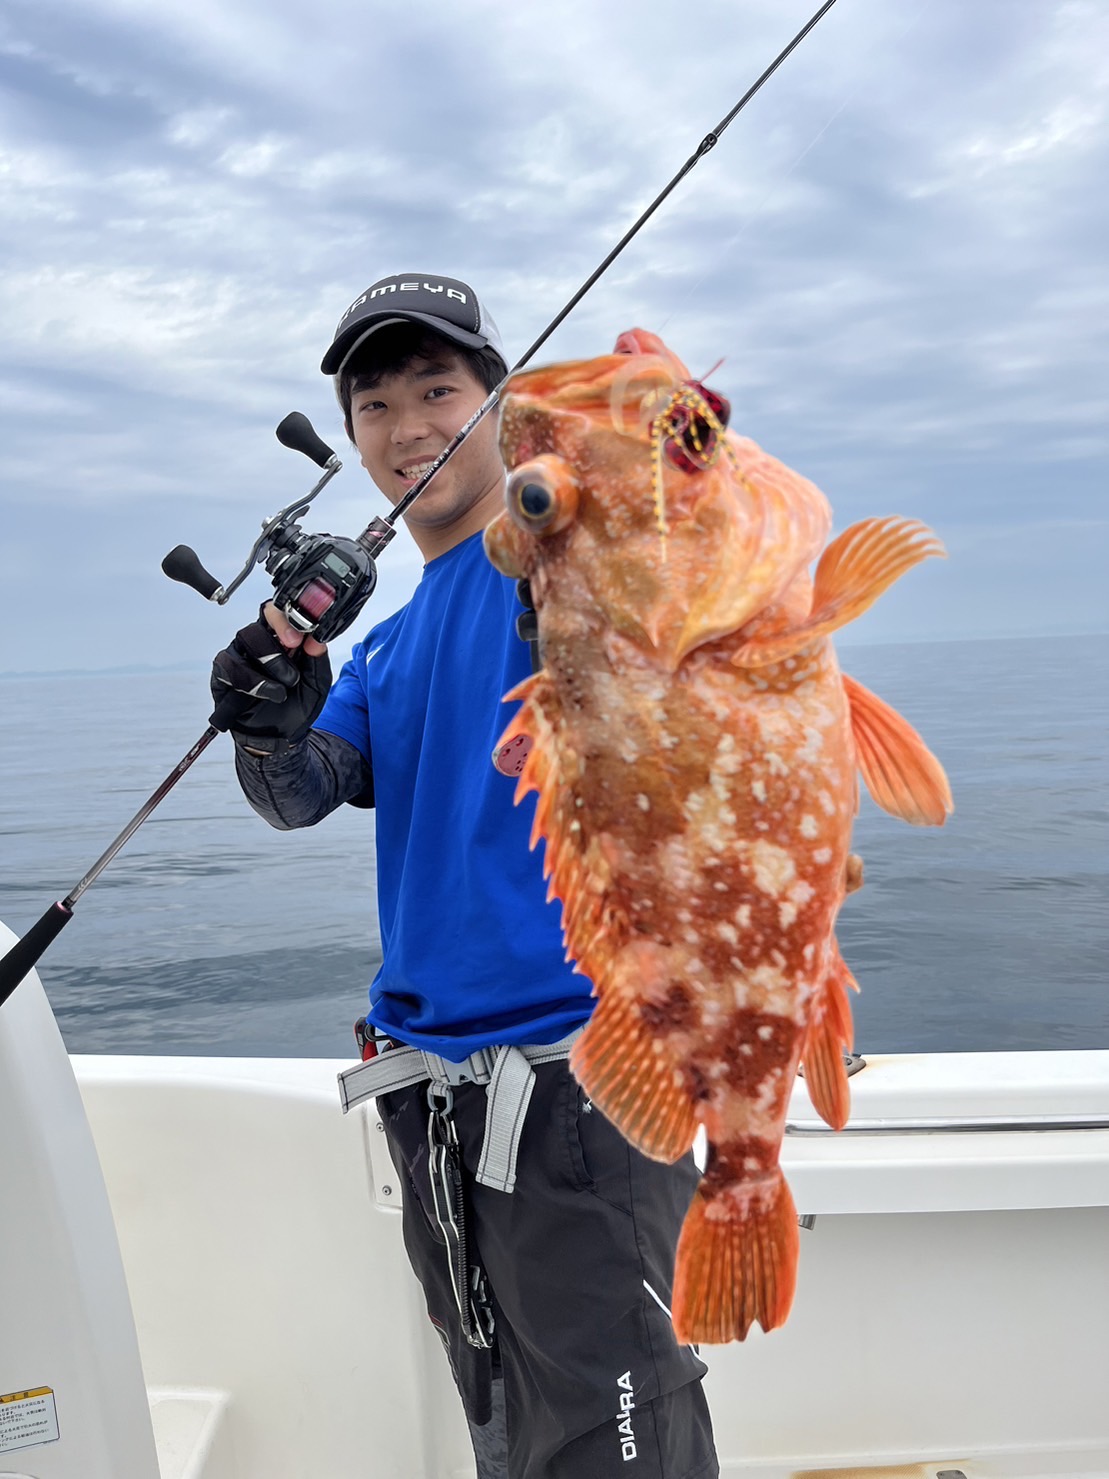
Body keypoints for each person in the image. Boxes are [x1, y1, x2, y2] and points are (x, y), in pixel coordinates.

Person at [211, 272, 719, 1479]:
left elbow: (658, 530)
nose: (408, 427)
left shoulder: (558, 559)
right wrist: (266, 719)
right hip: (436, 1105)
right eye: (374, 404)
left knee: (616, 1445)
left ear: (499, 403)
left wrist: (665, 443)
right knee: (510, 1430)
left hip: (585, 1090)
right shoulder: (384, 644)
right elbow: (298, 795)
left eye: (439, 388)